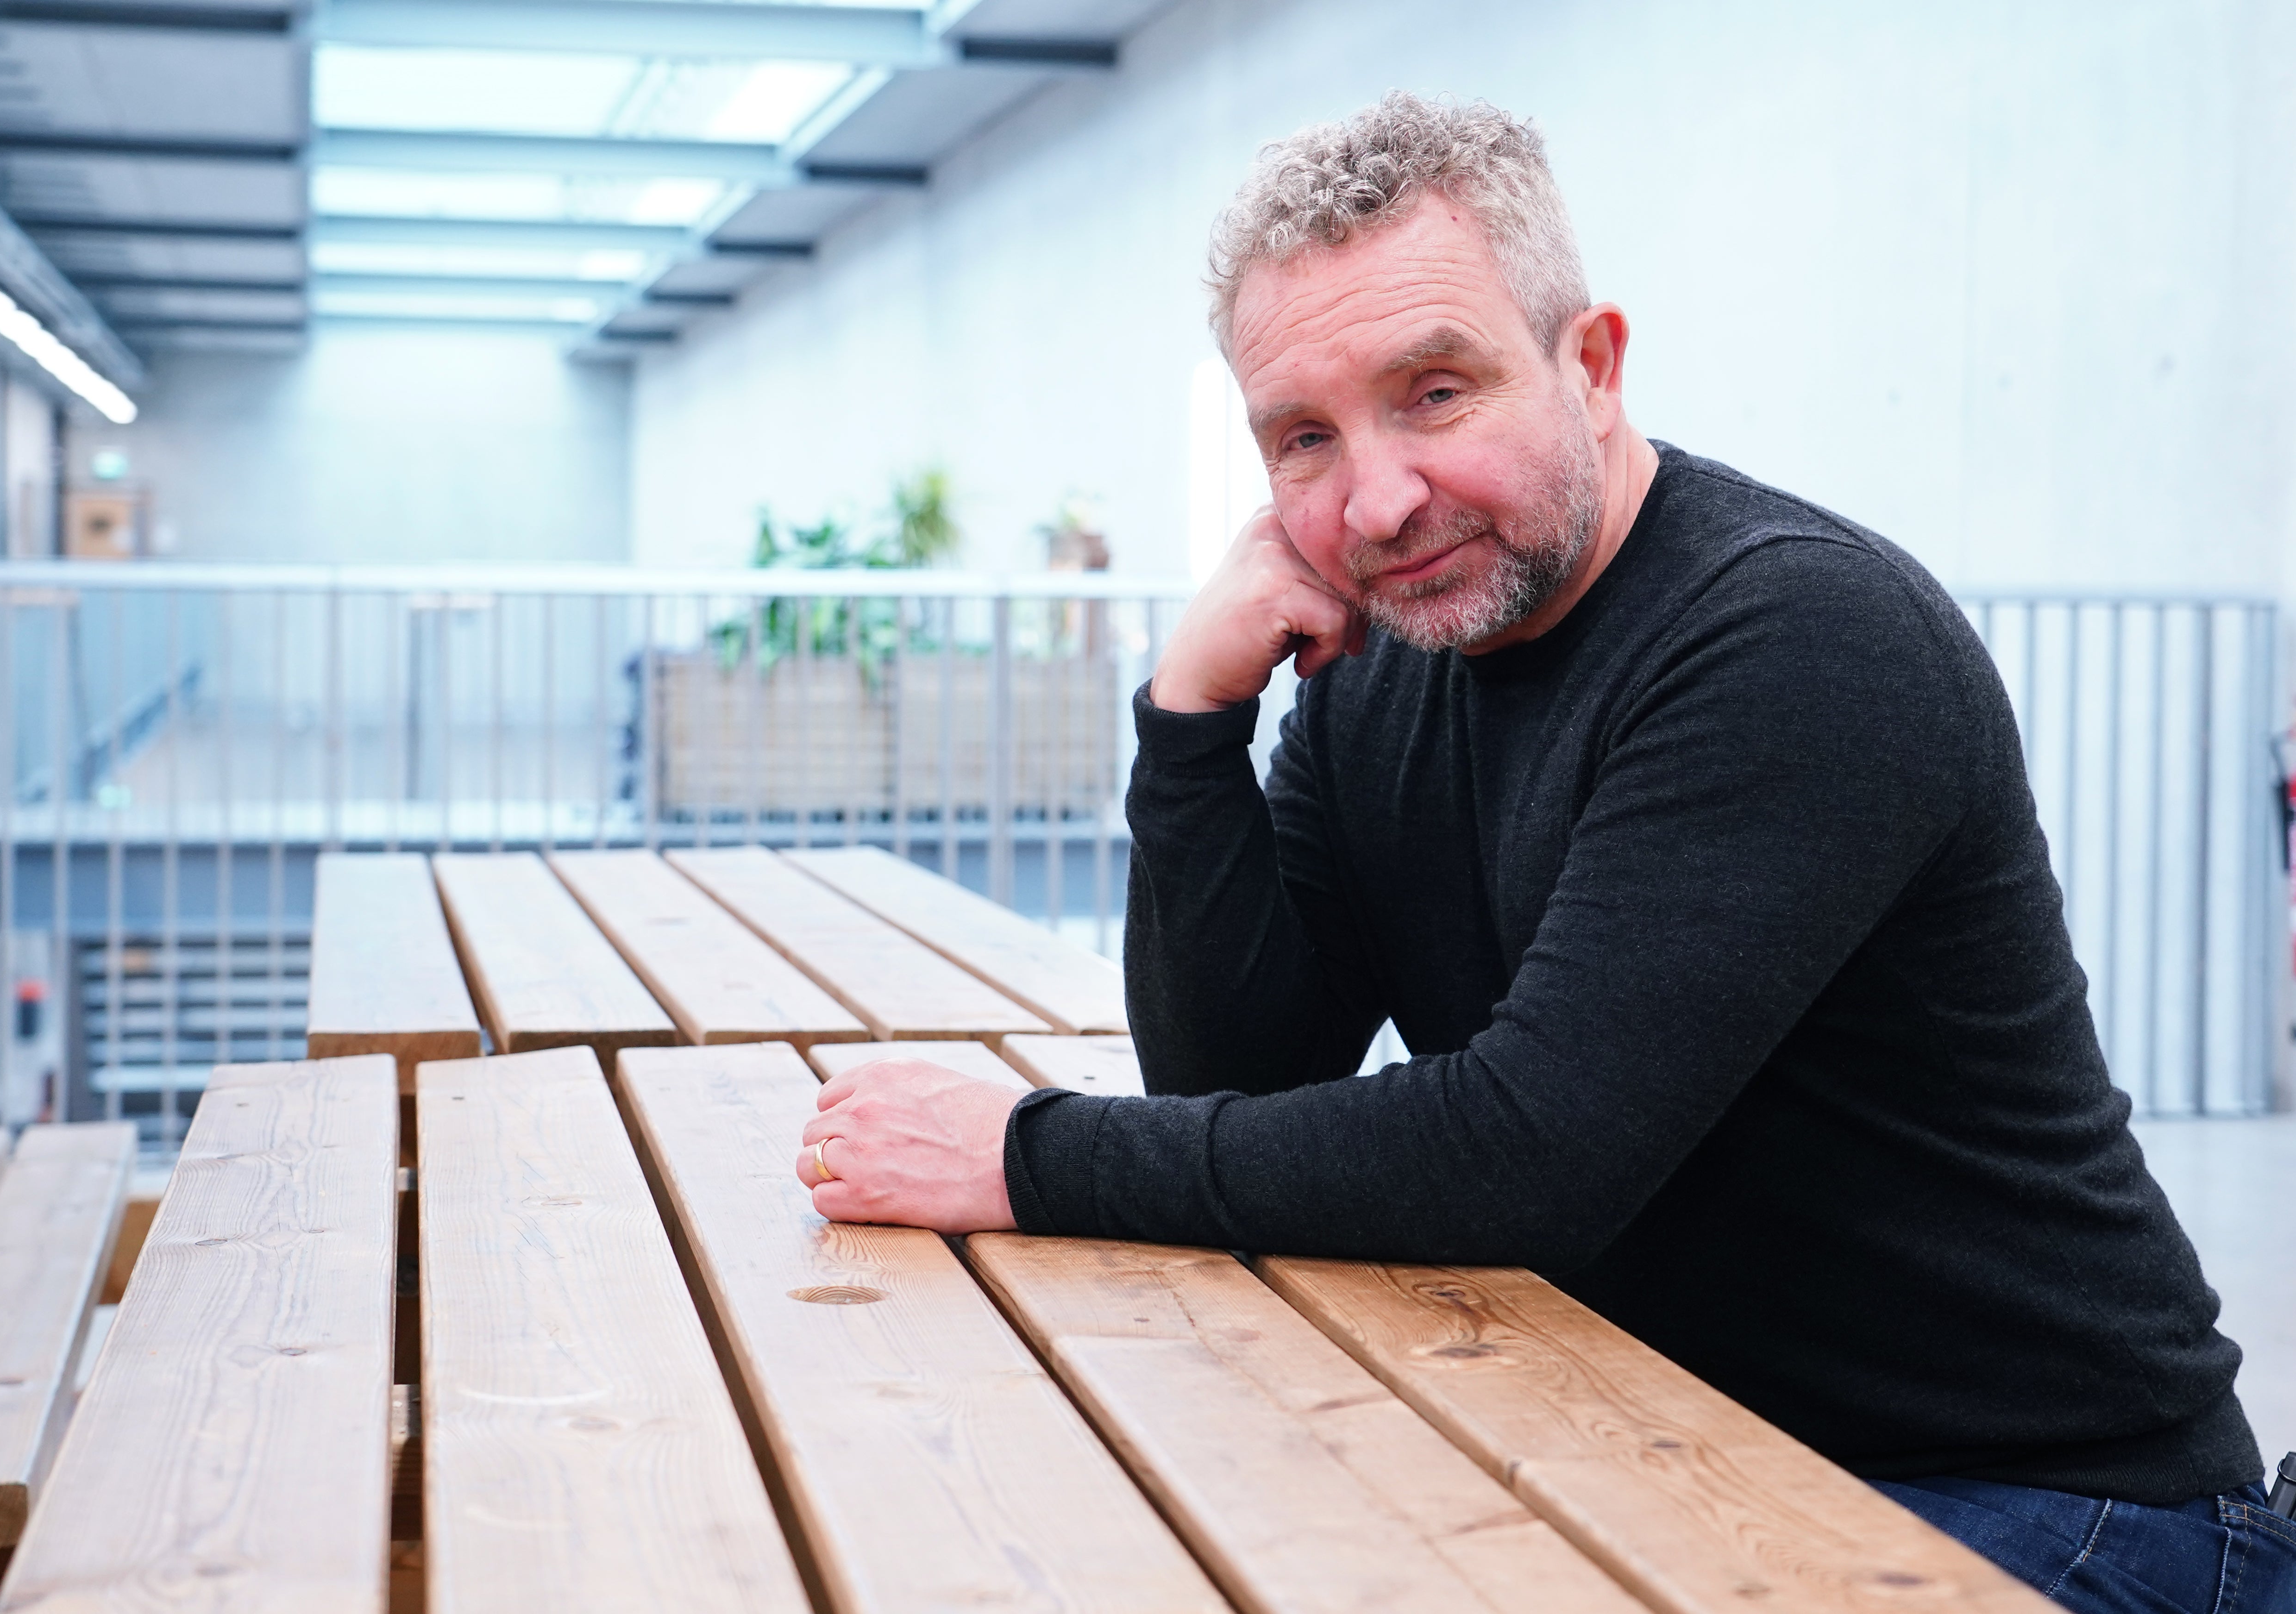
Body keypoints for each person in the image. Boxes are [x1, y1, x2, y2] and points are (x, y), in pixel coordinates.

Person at [791, 92, 2294, 1611]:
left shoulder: (1795, 636)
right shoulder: (1388, 657)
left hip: (2062, 1516)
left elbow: (1525, 1156)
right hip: (1673, 1444)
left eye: (1433, 392)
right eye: (1305, 438)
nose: (1376, 499)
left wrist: (1021, 1154)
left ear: (1592, 368)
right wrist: (1191, 722)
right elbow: (1240, 1074)